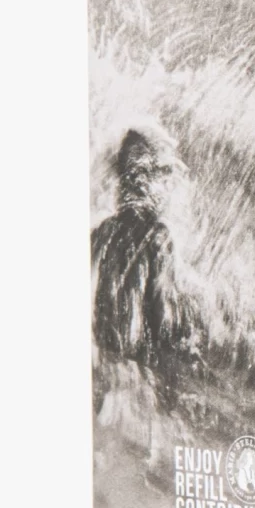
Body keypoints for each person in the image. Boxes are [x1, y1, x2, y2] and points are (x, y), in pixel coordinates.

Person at [91, 124, 198, 392]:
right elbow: (164, 318)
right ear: (147, 181)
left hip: (107, 363)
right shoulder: (157, 237)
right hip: (138, 373)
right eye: (161, 177)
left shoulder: (101, 233)